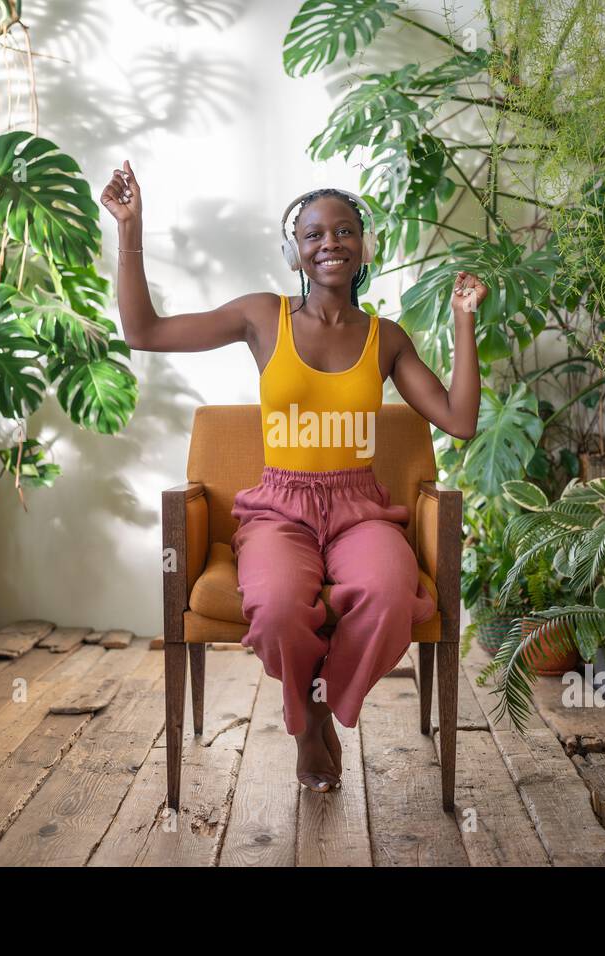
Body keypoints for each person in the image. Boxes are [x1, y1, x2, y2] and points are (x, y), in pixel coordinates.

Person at [100, 161, 484, 793]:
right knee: (276, 607)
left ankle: (321, 703)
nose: (329, 242)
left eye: (343, 231)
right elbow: (144, 332)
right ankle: (309, 724)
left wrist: (465, 320)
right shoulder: (261, 316)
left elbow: (460, 419)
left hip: (360, 508)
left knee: (390, 597)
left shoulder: (385, 338)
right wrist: (130, 229)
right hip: (279, 509)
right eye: (313, 234)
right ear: (294, 252)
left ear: (364, 247)